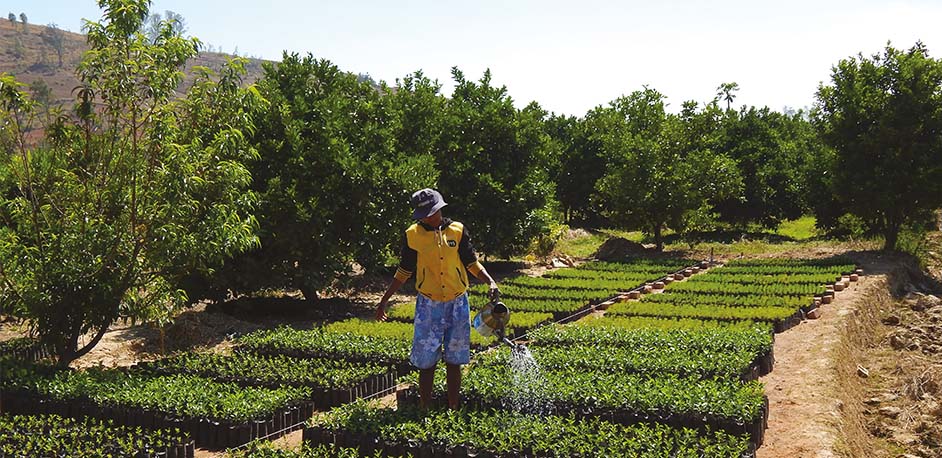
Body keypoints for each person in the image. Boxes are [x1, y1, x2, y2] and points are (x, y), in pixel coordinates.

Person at [376, 188, 499, 409]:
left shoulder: (457, 231)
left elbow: (471, 262)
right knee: (427, 361)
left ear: (440, 208)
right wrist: (384, 300)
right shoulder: (413, 235)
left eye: (431, 212)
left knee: (455, 359)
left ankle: (453, 407)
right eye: (423, 213)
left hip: (457, 302)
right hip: (428, 305)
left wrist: (490, 281)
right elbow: (404, 270)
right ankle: (425, 408)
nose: (428, 217)